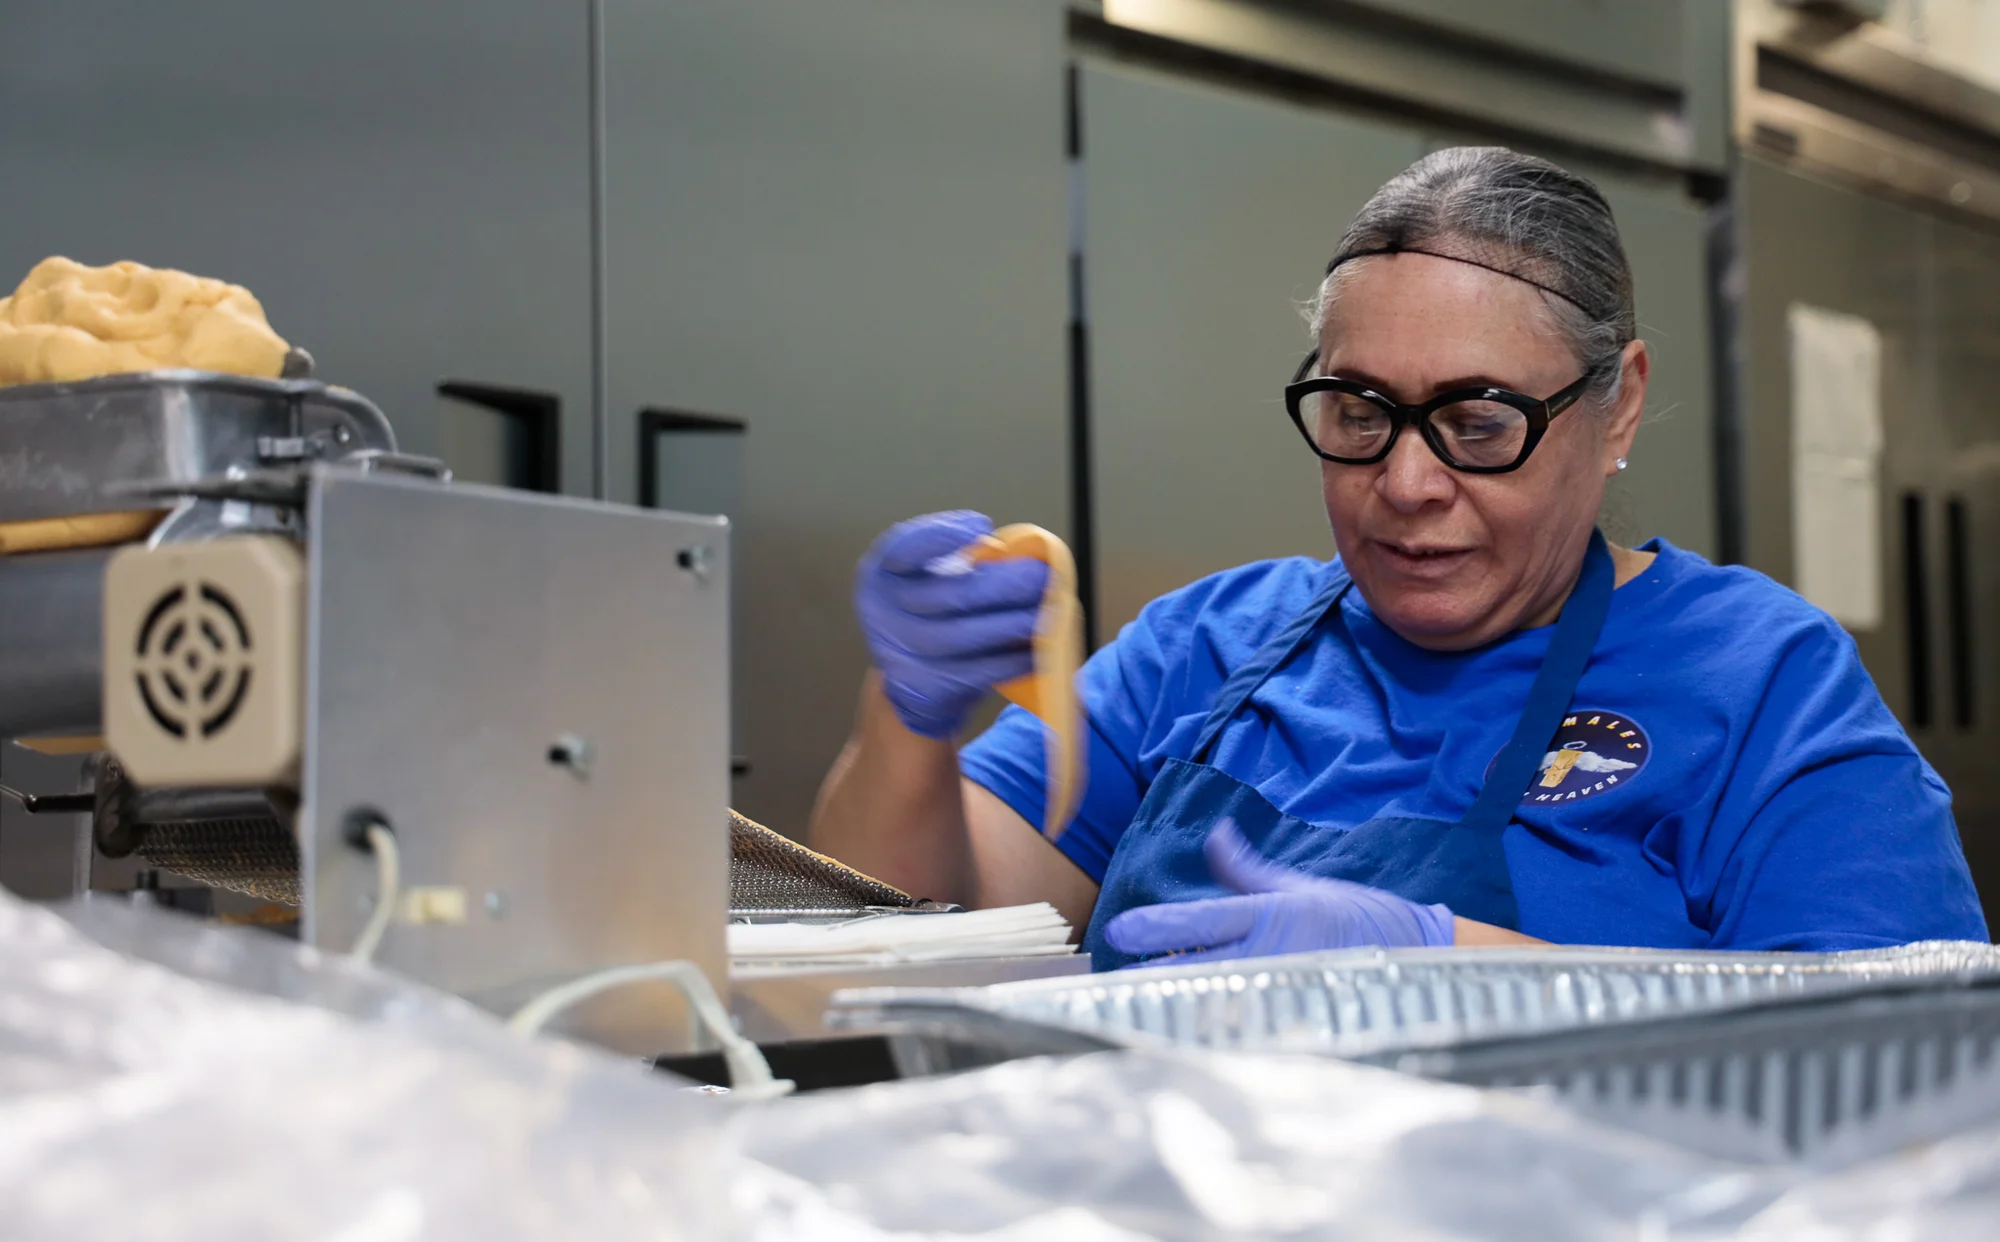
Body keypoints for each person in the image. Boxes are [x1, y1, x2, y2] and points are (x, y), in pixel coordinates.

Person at [809, 146, 1988, 970]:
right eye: (1359, 410)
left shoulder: (1757, 681)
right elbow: (911, 932)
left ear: (1614, 408)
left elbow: (1907, 1052)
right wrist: (907, 717)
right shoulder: (1205, 651)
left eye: (1478, 423)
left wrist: (1445, 960)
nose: (1407, 483)